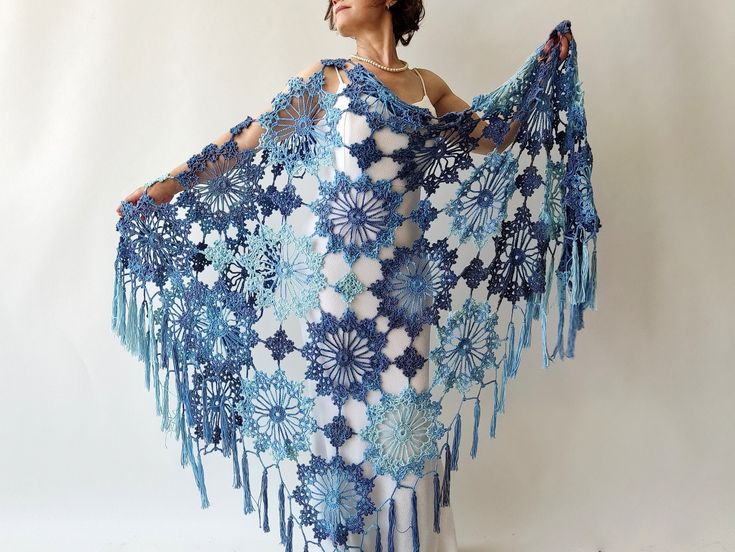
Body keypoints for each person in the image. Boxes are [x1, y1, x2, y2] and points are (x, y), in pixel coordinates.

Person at [114, 2, 576, 550]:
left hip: (406, 285)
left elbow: (493, 138)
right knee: (343, 422)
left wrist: (546, 71)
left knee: (405, 412)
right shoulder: (328, 78)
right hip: (339, 285)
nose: (333, 2)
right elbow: (245, 142)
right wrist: (165, 187)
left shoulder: (427, 86)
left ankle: (411, 542)